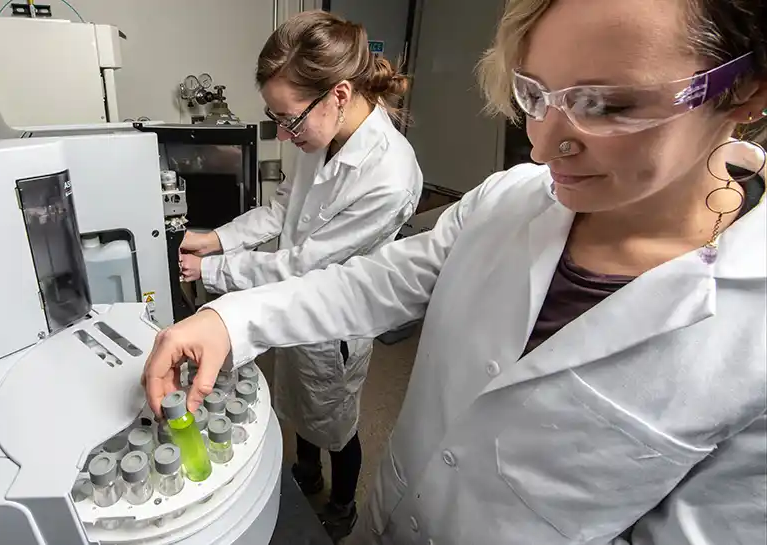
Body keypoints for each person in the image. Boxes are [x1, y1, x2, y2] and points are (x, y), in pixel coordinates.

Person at [144, 0, 767, 543]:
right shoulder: (509, 199)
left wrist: (224, 272)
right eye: (535, 95)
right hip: (390, 515)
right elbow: (373, 281)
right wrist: (230, 317)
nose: (543, 147)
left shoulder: (752, 338)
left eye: (605, 104)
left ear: (745, 90)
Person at [176, 11, 423, 538]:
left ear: (338, 94)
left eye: (290, 120)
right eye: (275, 118)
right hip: (288, 299)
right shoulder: (319, 134)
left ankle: (342, 504)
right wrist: (216, 237)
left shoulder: (389, 176)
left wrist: (212, 269)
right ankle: (306, 472)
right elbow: (282, 209)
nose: (284, 135)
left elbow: (304, 264)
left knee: (336, 419)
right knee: (299, 404)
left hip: (335, 320)